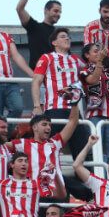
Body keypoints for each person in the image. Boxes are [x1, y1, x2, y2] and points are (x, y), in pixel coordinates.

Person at [31, 28, 90, 165]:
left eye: (68, 37)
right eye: (63, 36)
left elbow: (90, 74)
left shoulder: (76, 60)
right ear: (54, 42)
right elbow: (36, 81)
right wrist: (36, 106)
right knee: (50, 151)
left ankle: (84, 183)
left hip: (74, 112)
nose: (67, 39)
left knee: (83, 152)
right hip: (54, 110)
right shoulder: (47, 57)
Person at [80, 42, 109, 161]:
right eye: (95, 51)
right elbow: (93, 80)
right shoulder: (84, 70)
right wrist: (100, 61)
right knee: (96, 152)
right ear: (87, 55)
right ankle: (99, 178)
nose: (99, 53)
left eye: (100, 51)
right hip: (94, 115)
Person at [15, 0, 62, 68]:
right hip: (39, 75)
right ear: (46, 10)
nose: (58, 14)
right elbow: (20, 9)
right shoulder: (34, 27)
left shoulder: (60, 34)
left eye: (60, 12)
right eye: (56, 11)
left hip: (57, 76)